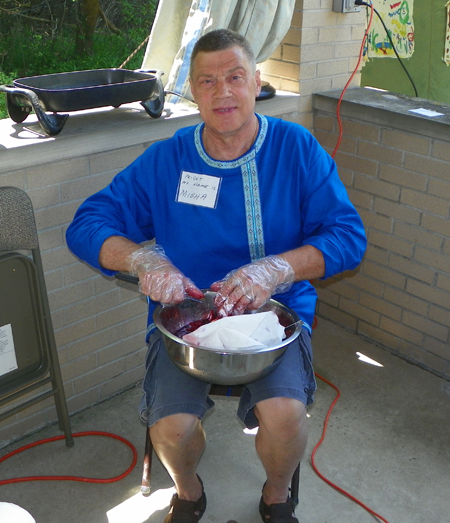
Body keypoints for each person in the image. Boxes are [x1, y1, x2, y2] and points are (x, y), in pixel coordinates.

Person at [66, 29, 366, 523]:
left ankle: (275, 494)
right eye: (207, 81)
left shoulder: (296, 149)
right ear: (192, 90)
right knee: (171, 427)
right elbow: (88, 223)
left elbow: (348, 236)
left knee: (285, 416)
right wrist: (142, 261)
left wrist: (278, 268)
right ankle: (188, 491)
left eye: (235, 77)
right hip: (186, 325)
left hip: (277, 318)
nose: (222, 92)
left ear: (257, 83)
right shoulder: (168, 160)